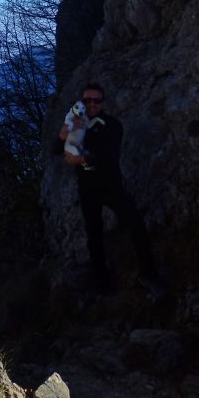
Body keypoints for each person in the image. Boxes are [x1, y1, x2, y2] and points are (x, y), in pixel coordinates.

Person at [56, 82, 163, 295]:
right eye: (88, 100)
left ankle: (148, 273)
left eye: (97, 100)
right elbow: (56, 148)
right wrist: (64, 134)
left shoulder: (113, 125)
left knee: (136, 225)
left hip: (111, 185)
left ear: (103, 103)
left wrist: (81, 157)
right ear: (82, 103)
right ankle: (102, 281)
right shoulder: (77, 124)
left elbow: (107, 155)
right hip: (87, 188)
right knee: (93, 234)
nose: (92, 104)